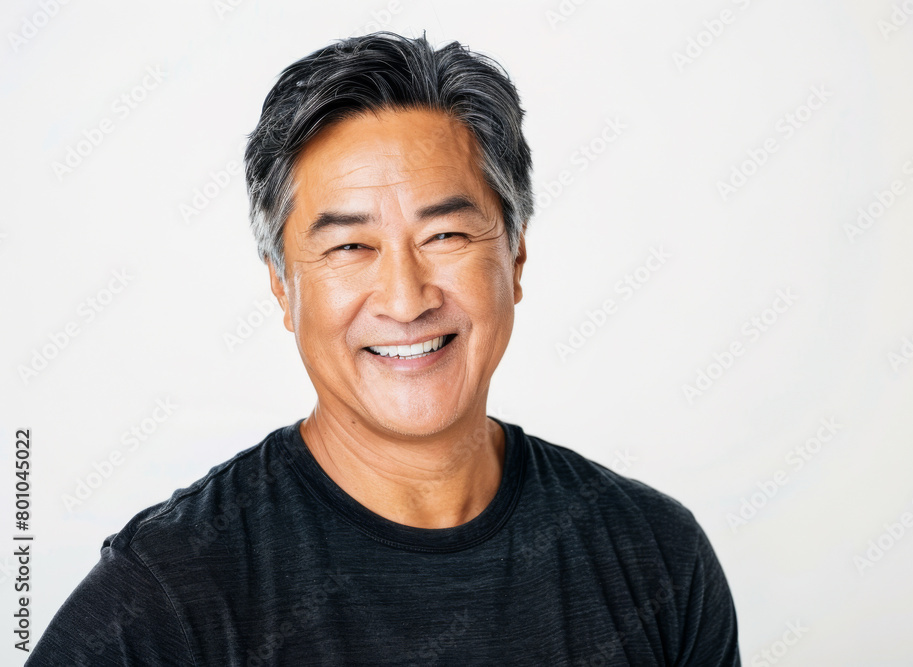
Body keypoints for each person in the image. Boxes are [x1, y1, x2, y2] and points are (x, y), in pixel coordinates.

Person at [29, 32, 740, 665]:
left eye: (446, 236)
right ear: (282, 287)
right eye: (349, 245)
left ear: (516, 258)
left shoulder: (654, 557)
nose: (405, 299)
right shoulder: (168, 594)